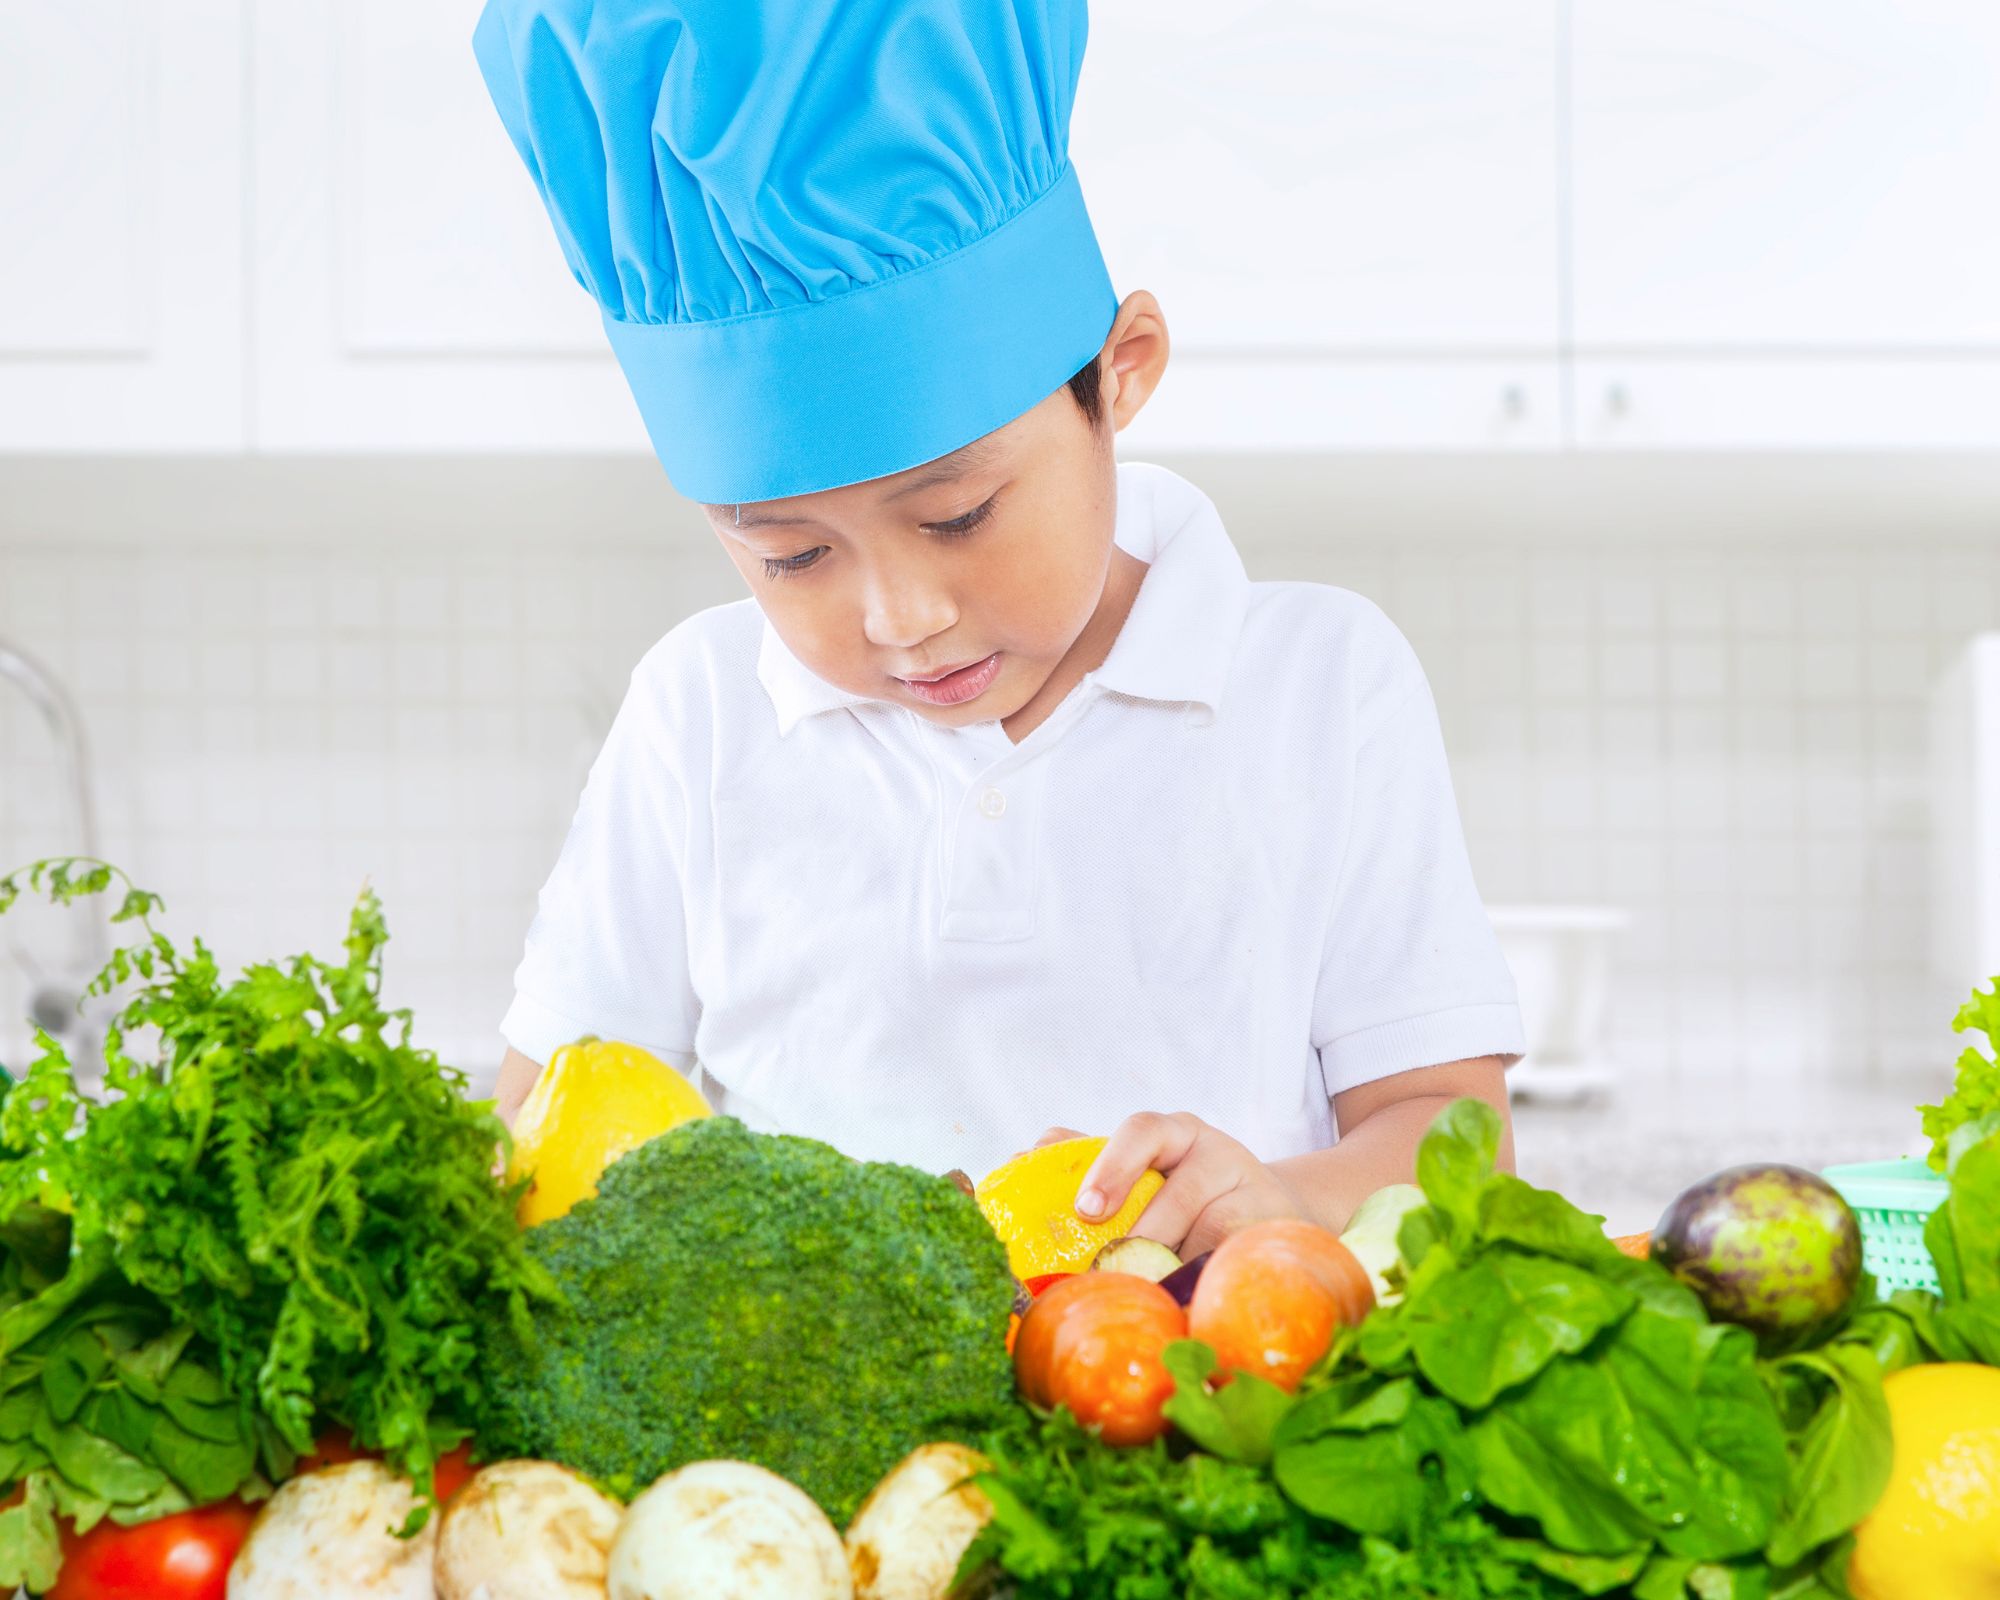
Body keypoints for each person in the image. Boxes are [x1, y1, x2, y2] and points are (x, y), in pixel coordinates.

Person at [472, 0, 1523, 1255]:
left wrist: (1285, 1201)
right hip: (813, 1461)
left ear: (1121, 371)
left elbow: (1449, 1133)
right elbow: (544, 1124)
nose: (900, 618)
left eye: (959, 516)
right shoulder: (695, 711)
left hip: (1212, 1410)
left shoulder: (1319, 685)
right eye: (791, 553)